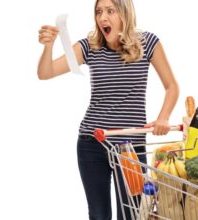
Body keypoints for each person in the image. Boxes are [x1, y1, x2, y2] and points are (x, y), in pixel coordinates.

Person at [37, 0, 179, 219]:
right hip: (92, 143)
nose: (103, 17)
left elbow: (172, 86)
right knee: (98, 214)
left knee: (130, 214)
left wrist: (163, 117)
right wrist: (48, 46)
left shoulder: (148, 42)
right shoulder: (89, 46)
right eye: (98, 12)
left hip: (130, 146)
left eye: (110, 11)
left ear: (125, 13)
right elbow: (45, 73)